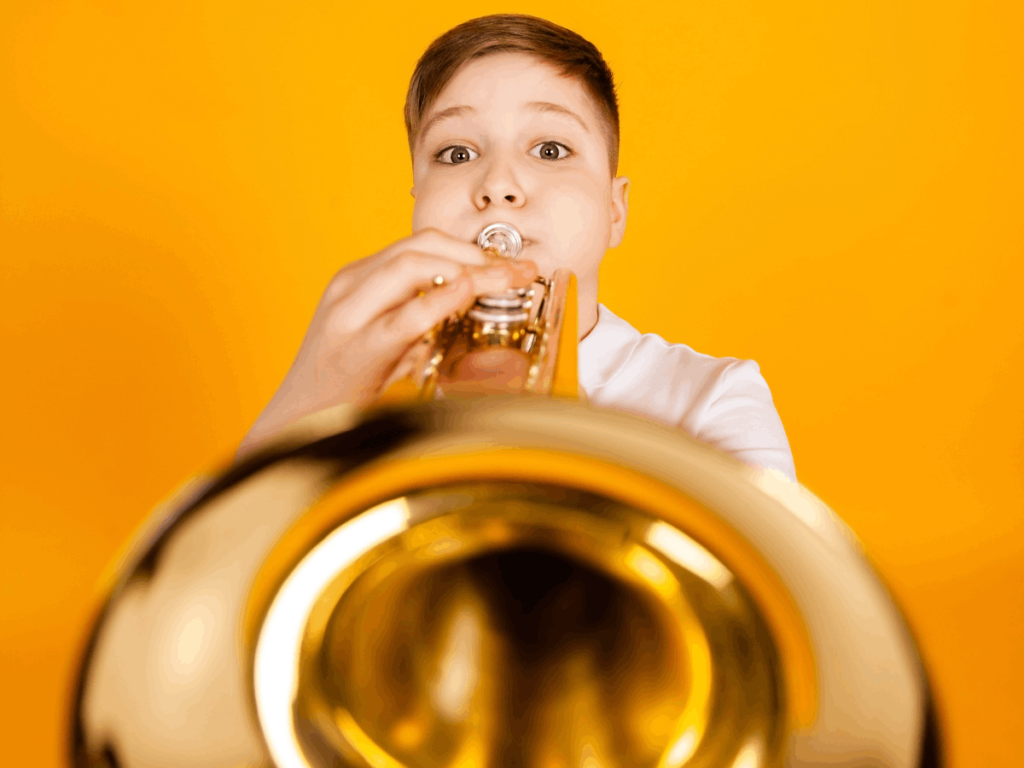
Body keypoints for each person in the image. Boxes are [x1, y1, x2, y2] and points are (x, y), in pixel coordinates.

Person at [239, 13, 796, 482]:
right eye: (457, 154)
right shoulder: (367, 397)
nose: (499, 185)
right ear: (416, 205)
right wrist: (304, 410)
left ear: (614, 210)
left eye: (550, 149)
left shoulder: (711, 398)